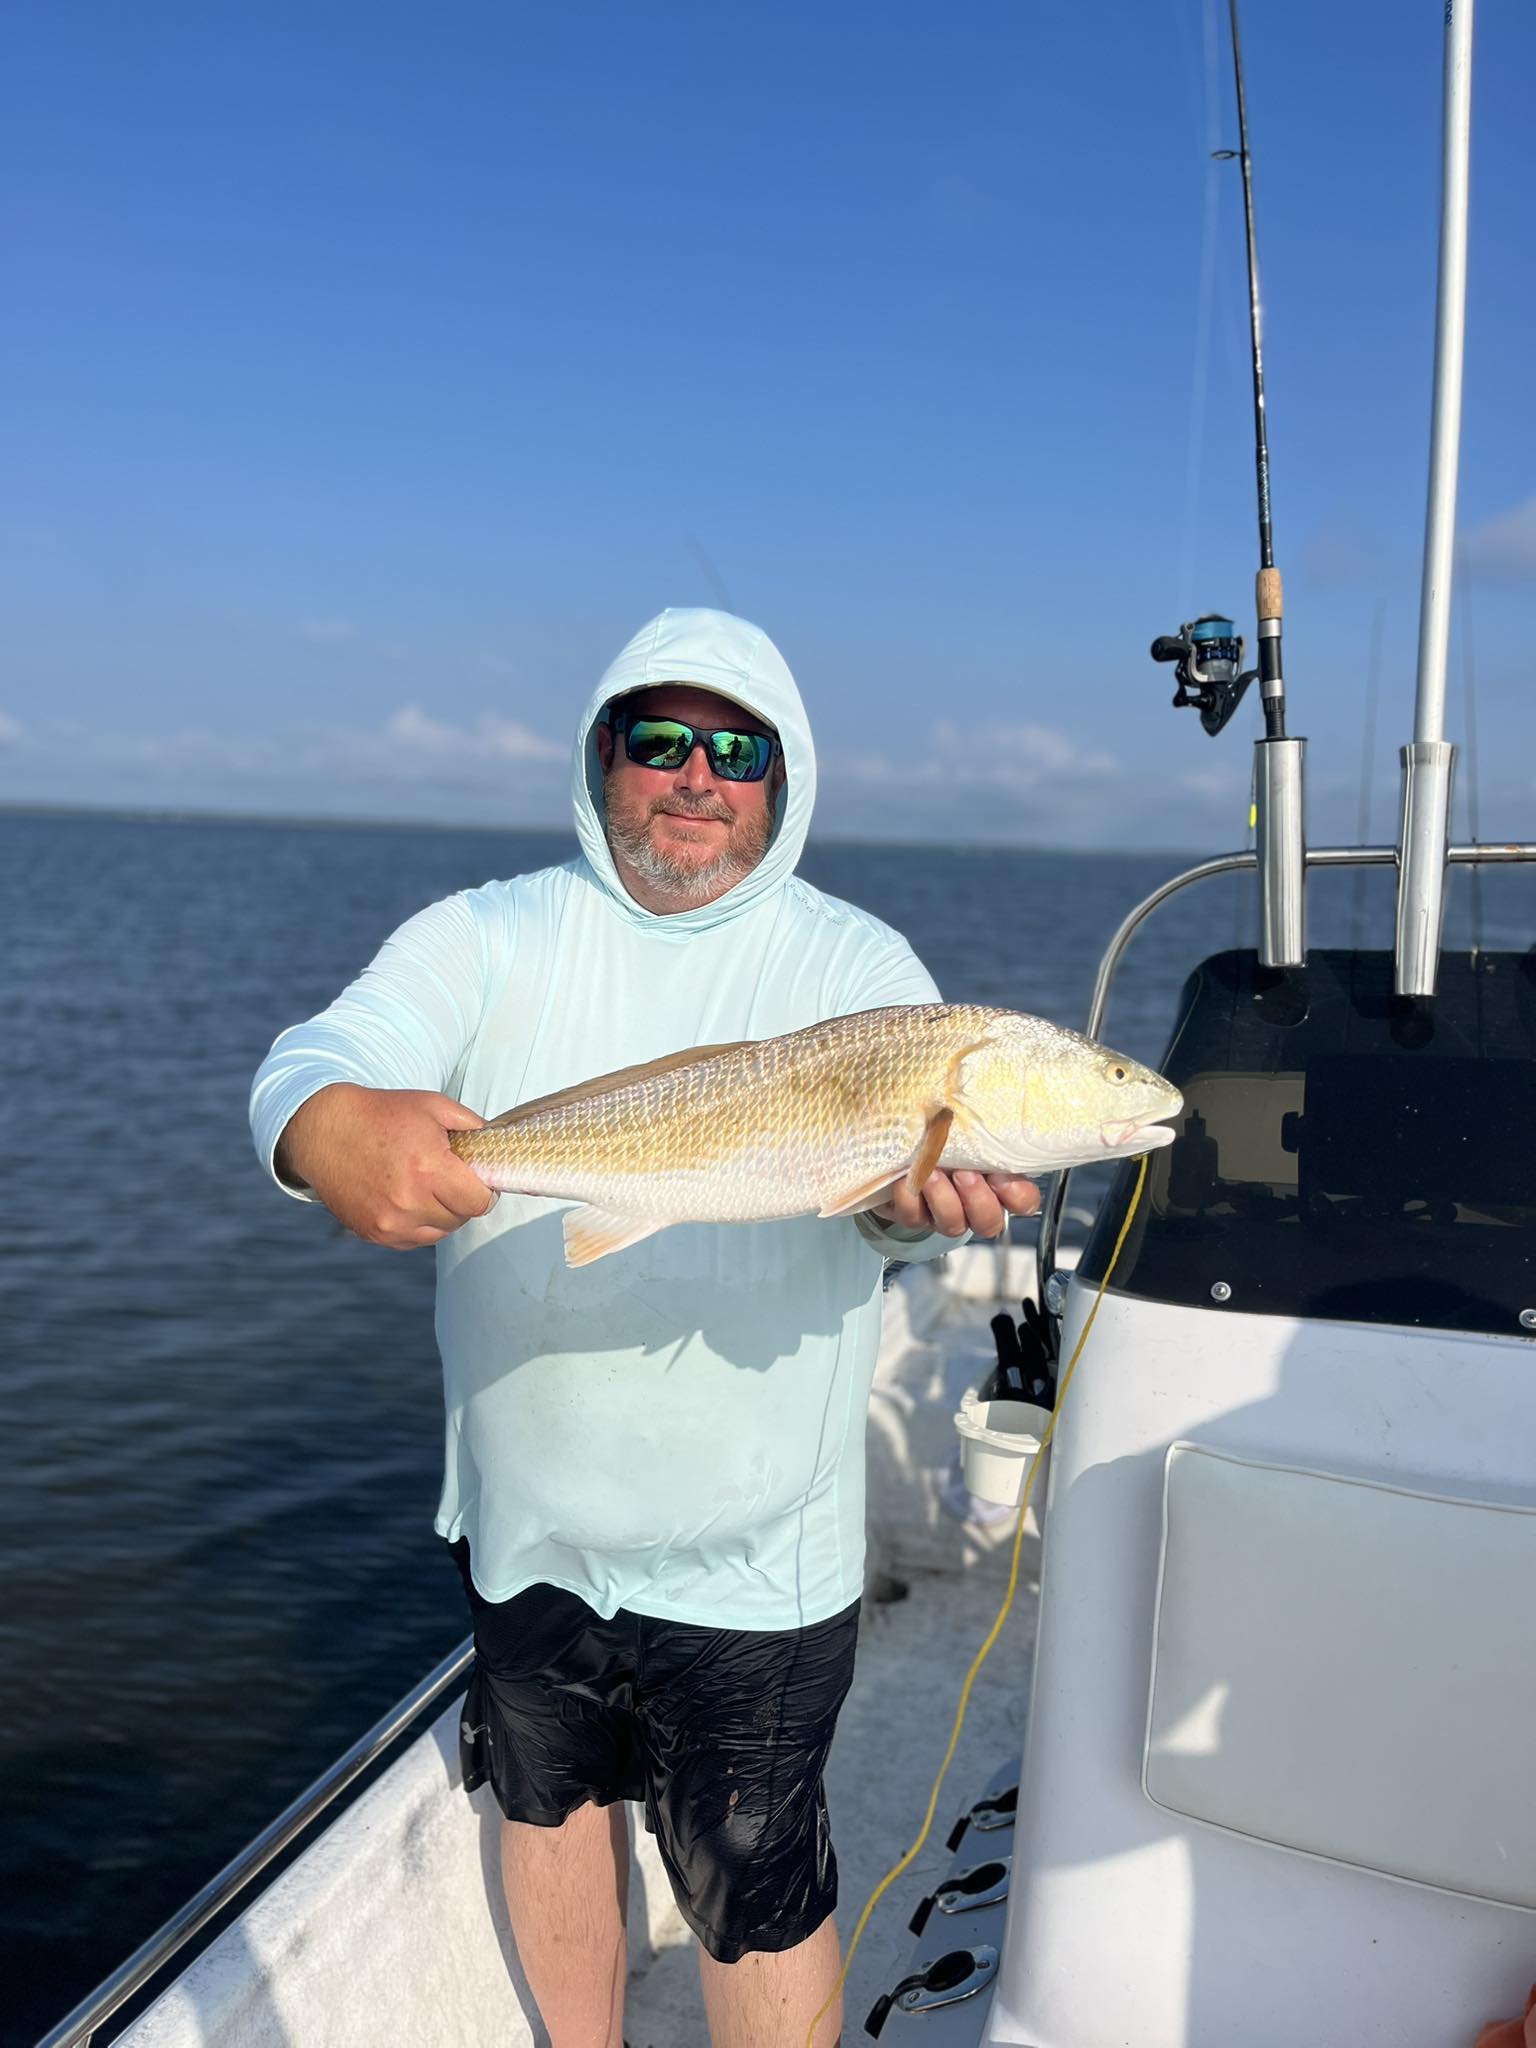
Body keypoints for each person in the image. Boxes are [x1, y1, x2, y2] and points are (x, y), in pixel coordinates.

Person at [249, 607, 1039, 2048]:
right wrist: (320, 1129)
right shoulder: (484, 935)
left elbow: (876, 1204)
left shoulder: (861, 972)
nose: (697, 777)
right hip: (530, 1527)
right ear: (602, 756)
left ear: (782, 782)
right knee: (548, 1810)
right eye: (660, 739)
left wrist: (905, 1207)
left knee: (753, 1877)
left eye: (736, 749)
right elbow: (323, 1059)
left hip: (753, 1551)